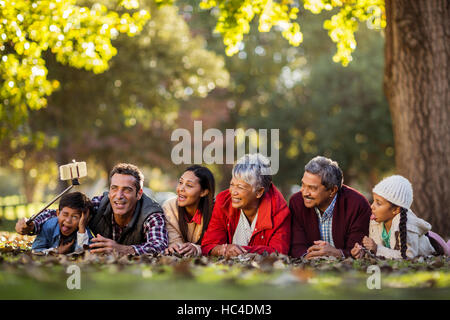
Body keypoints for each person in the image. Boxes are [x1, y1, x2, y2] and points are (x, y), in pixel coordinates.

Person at [16, 163, 168, 255]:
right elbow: (59, 213)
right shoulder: (101, 204)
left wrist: (123, 249)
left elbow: (159, 246)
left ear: (139, 193)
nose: (118, 196)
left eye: (127, 190)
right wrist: (31, 225)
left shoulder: (151, 213)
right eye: (114, 188)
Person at [201, 153, 291, 257]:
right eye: (232, 185)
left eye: (240, 187)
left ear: (259, 192)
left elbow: (278, 251)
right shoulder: (223, 202)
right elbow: (208, 245)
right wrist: (223, 250)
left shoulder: (279, 210)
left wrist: (241, 250)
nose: (233, 192)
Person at [289, 156, 371, 259]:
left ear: (332, 190)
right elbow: (297, 246)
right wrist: (308, 256)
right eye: (303, 185)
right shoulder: (296, 203)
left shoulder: (357, 204)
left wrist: (338, 254)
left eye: (312, 188)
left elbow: (356, 249)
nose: (304, 192)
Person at [351, 175, 449, 259]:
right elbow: (380, 253)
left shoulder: (407, 224)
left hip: (435, 244)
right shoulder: (376, 221)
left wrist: (376, 248)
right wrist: (364, 252)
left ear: (396, 210)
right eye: (373, 201)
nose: (372, 206)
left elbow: (408, 256)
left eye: (378, 203)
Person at [163, 165, 215, 257]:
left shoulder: (215, 211)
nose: (181, 189)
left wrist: (197, 248)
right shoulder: (169, 207)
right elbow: (175, 240)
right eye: (180, 182)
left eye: (189, 185)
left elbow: (215, 243)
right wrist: (176, 247)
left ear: (204, 192)